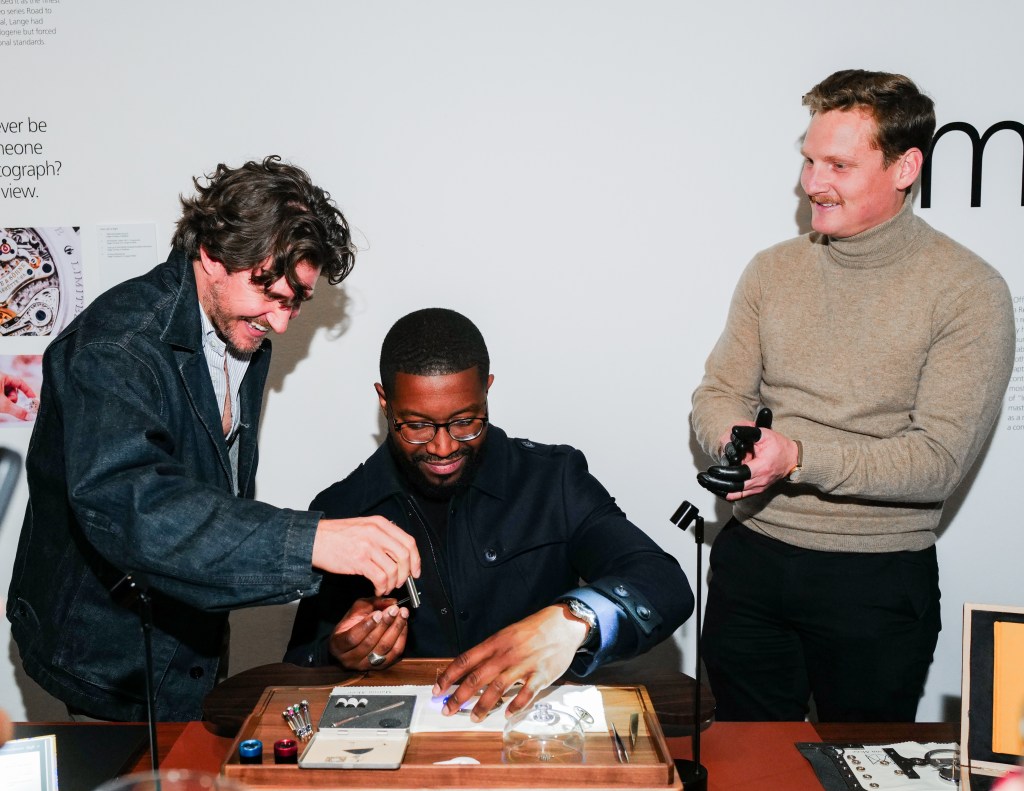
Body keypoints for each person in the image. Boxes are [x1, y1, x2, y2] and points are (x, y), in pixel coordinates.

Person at [7, 156, 420, 721]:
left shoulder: (239, 330)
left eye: (296, 301)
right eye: (269, 293)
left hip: (186, 644)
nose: (280, 321)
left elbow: (206, 490)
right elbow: (135, 509)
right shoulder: (116, 346)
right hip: (108, 659)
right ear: (211, 252)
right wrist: (311, 542)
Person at [690, 70, 1015, 722]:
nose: (812, 183)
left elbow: (937, 462)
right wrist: (737, 441)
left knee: (859, 768)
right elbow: (720, 390)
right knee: (748, 766)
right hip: (749, 566)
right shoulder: (772, 269)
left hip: (875, 582)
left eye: (837, 163)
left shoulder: (969, 291)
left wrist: (798, 456)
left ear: (905, 168)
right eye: (809, 160)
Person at [286, 308, 693, 721]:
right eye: (417, 426)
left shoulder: (553, 482)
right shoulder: (342, 510)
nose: (443, 448)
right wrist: (338, 652)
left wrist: (572, 621)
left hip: (535, 740)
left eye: (466, 422)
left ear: (487, 391)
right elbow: (296, 671)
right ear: (384, 401)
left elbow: (664, 584)